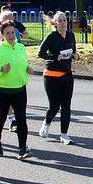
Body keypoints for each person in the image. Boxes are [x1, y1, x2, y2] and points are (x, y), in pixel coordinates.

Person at [0, 20, 33, 159]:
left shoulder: (20, 47)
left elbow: (24, 61)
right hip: (2, 90)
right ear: (2, 35)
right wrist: (1, 69)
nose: (11, 35)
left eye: (13, 32)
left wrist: (28, 67)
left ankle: (22, 149)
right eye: (7, 33)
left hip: (19, 88)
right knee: (1, 118)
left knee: (21, 119)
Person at [37, 11, 78, 145]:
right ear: (55, 23)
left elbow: (74, 52)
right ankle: (46, 123)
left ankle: (64, 135)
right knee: (54, 106)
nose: (62, 23)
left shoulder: (71, 35)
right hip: (52, 75)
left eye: (64, 20)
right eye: (59, 21)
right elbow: (41, 53)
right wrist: (55, 57)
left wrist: (75, 56)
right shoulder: (51, 37)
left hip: (67, 74)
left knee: (66, 106)